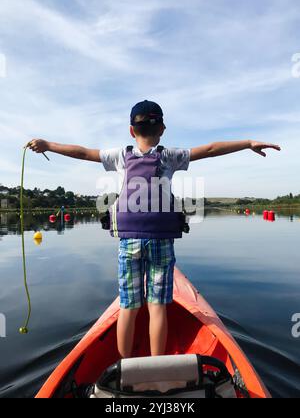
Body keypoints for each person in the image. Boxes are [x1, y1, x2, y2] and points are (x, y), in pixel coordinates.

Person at [29, 100, 281, 358]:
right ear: (162, 129)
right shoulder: (170, 156)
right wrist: (248, 143)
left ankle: (126, 370)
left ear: (131, 131)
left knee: (128, 306)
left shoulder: (119, 156)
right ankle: (157, 365)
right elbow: (210, 148)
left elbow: (82, 153)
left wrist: (48, 145)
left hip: (129, 243)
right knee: (158, 306)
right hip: (160, 241)